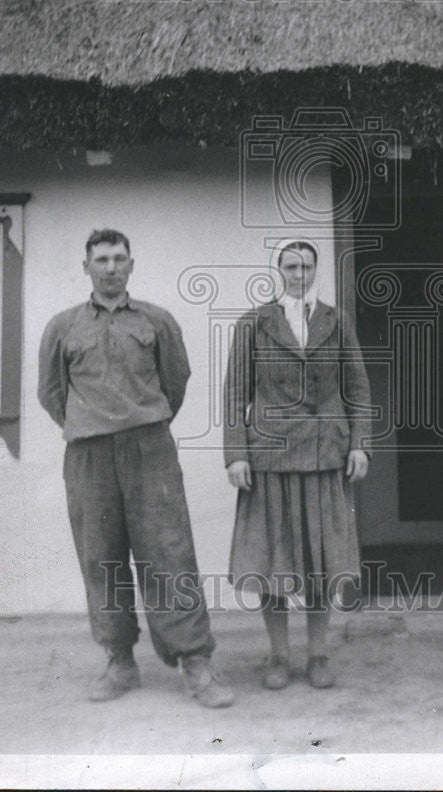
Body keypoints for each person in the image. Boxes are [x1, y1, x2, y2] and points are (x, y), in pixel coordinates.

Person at [38, 228, 234, 708]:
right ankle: (120, 661)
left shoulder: (156, 320)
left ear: (131, 264)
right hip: (88, 454)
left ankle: (195, 663)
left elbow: (176, 381)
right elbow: (51, 393)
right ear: (86, 267)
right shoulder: (62, 326)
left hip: (150, 450)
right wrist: (89, 425)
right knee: (100, 557)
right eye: (101, 259)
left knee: (169, 552)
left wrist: (142, 421)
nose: (110, 267)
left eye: (119, 258)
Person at [223, 239, 371, 690]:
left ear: (315, 270)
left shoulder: (336, 321)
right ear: (279, 271)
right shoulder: (254, 323)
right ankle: (277, 656)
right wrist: (236, 455)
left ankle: (319, 654)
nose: (299, 274)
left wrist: (360, 444)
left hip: (326, 454)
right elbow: (235, 396)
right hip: (270, 457)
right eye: (291, 267)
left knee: (321, 563)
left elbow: (358, 389)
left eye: (306, 267)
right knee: (273, 562)